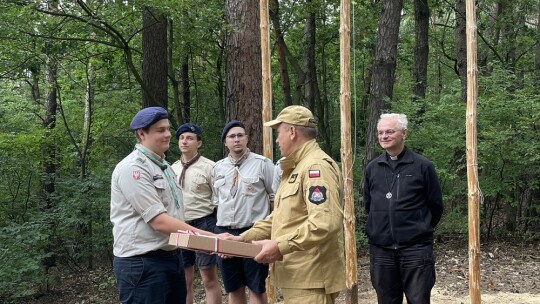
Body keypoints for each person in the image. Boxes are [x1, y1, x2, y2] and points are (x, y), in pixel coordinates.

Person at [227, 105, 346, 304]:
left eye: (278, 132)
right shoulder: (295, 167)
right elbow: (280, 216)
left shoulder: (315, 166)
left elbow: (325, 222)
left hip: (311, 277)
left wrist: (280, 246)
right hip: (298, 275)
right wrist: (243, 238)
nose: (276, 139)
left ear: (292, 132)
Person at [110, 107, 215, 304]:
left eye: (167, 129)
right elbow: (160, 222)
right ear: (142, 134)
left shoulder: (165, 167)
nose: (168, 135)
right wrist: (213, 239)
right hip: (142, 264)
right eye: (160, 130)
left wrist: (212, 245)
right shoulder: (133, 168)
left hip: (172, 257)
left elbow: (176, 218)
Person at [363, 113, 444, 304]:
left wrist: (417, 228)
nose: (384, 136)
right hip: (381, 251)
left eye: (390, 132)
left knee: (418, 300)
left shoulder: (423, 166)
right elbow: (369, 204)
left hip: (415, 250)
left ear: (404, 133)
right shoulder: (372, 168)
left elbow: (436, 205)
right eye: (380, 132)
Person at [212, 120, 274, 304]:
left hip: (253, 232)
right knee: (233, 287)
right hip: (225, 232)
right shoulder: (217, 168)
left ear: (247, 138)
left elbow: (274, 198)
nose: (236, 139)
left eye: (240, 135)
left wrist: (269, 231)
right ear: (225, 142)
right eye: (232, 136)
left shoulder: (263, 164)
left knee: (256, 286)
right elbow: (217, 201)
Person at [171, 123, 222, 304]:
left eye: (190, 138)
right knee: (185, 280)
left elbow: (219, 200)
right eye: (182, 138)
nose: (185, 141)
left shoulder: (210, 167)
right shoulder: (172, 168)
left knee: (208, 279)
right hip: (181, 227)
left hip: (204, 223)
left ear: (199, 143)